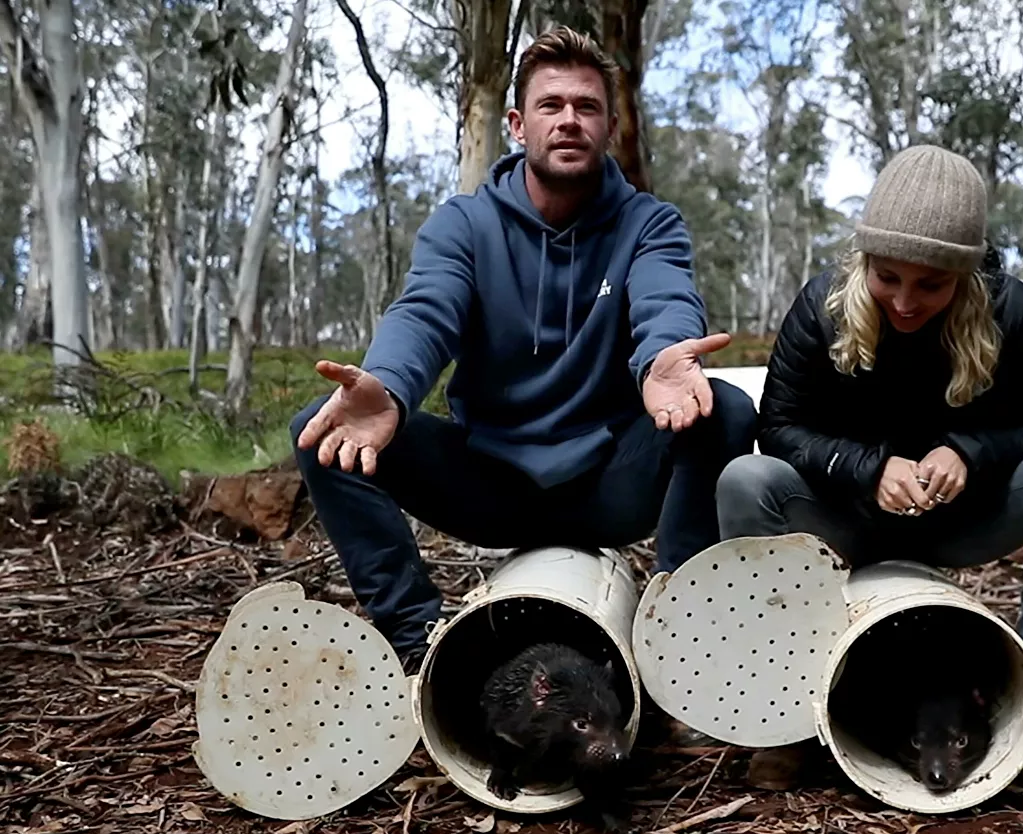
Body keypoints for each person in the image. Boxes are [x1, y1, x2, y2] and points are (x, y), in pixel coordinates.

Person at [290, 27, 757, 674]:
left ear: (611, 125)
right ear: (517, 123)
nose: (569, 120)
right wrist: (390, 384)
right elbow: (427, 311)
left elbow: (664, 299)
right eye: (551, 105)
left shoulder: (648, 223)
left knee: (724, 410)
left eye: (587, 106)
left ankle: (675, 637)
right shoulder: (465, 224)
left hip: (608, 482)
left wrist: (663, 359)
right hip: (492, 482)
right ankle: (419, 644)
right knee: (321, 429)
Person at [715, 143, 1023, 784]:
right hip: (846, 516)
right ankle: (785, 702)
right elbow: (778, 428)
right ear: (864, 260)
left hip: (962, 519)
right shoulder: (821, 307)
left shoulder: (1009, 310)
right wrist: (867, 467)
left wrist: (967, 452)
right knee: (746, 479)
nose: (904, 301)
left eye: (930, 284)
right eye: (887, 277)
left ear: (968, 274)